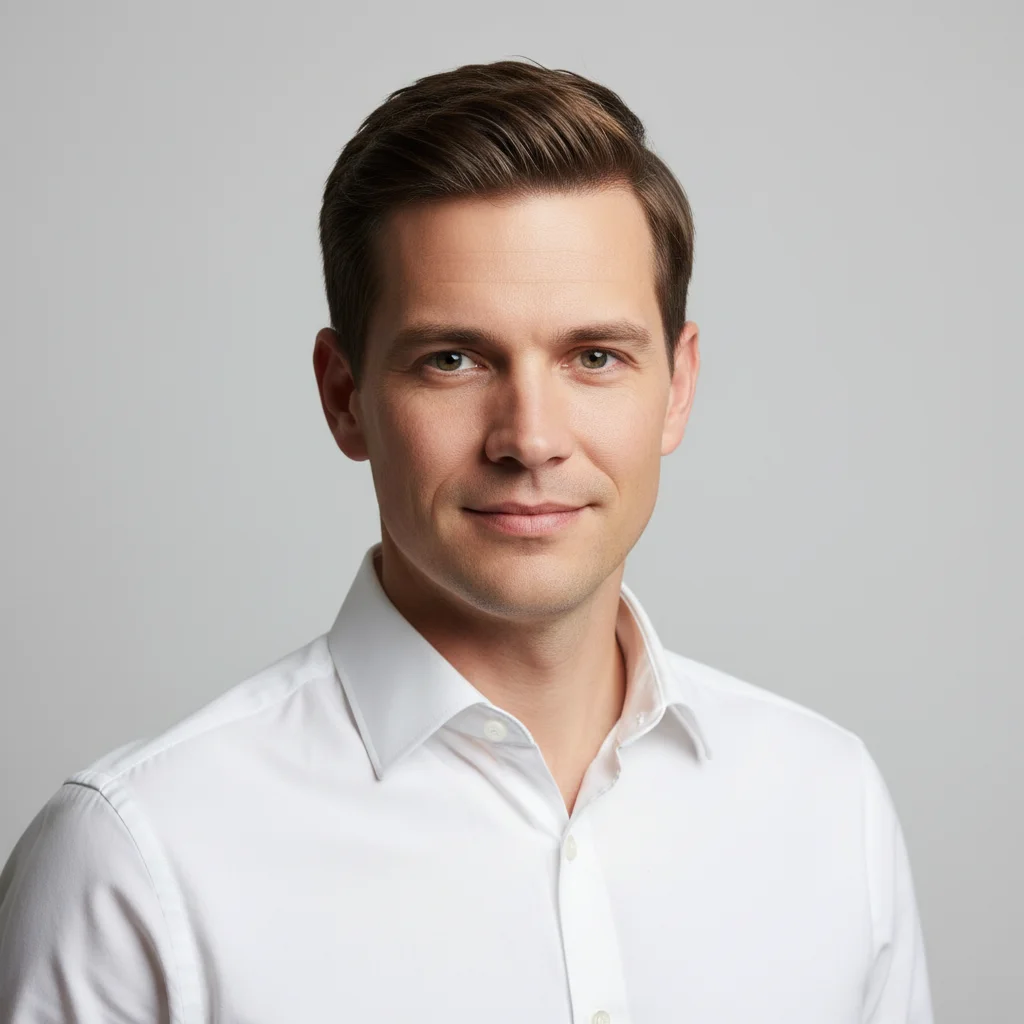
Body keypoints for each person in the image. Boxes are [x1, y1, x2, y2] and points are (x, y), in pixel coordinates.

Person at [0, 60, 933, 1023]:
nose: (529, 438)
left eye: (595, 357)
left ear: (679, 386)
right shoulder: (138, 859)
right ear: (344, 395)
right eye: (453, 359)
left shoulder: (830, 806)